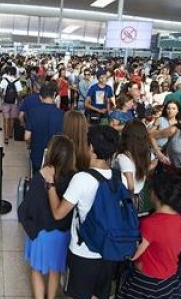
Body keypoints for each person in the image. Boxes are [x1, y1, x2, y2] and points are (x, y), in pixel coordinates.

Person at [47, 125, 121, 299]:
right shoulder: (119, 177)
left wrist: (50, 184)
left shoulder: (81, 179)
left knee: (78, 295)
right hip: (110, 249)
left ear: (91, 148)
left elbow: (58, 213)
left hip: (84, 251)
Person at [115, 171, 181, 299]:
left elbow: (132, 254)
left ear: (156, 194)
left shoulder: (151, 223)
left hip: (147, 282)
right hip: (169, 278)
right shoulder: (178, 218)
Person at [25, 136, 76, 299]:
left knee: (36, 269)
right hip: (63, 234)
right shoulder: (74, 177)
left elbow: (29, 207)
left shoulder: (41, 175)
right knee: (55, 269)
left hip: (41, 233)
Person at [25, 81, 64, 172]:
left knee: (37, 178)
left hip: (37, 152)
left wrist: (30, 143)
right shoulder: (62, 114)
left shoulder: (32, 112)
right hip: (55, 154)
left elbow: (27, 137)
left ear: (40, 97)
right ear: (54, 95)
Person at [114, 120, 154, 209]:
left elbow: (130, 184)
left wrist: (130, 197)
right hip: (140, 194)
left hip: (127, 196)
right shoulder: (146, 153)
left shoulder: (123, 157)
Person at [0, 65, 23, 144]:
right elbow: (20, 93)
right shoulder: (17, 81)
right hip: (14, 102)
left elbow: (0, 91)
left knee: (6, 119)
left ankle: (6, 137)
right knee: (12, 118)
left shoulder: (4, 80)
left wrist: (3, 97)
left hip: (6, 102)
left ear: (8, 72)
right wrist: (16, 98)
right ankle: (10, 133)